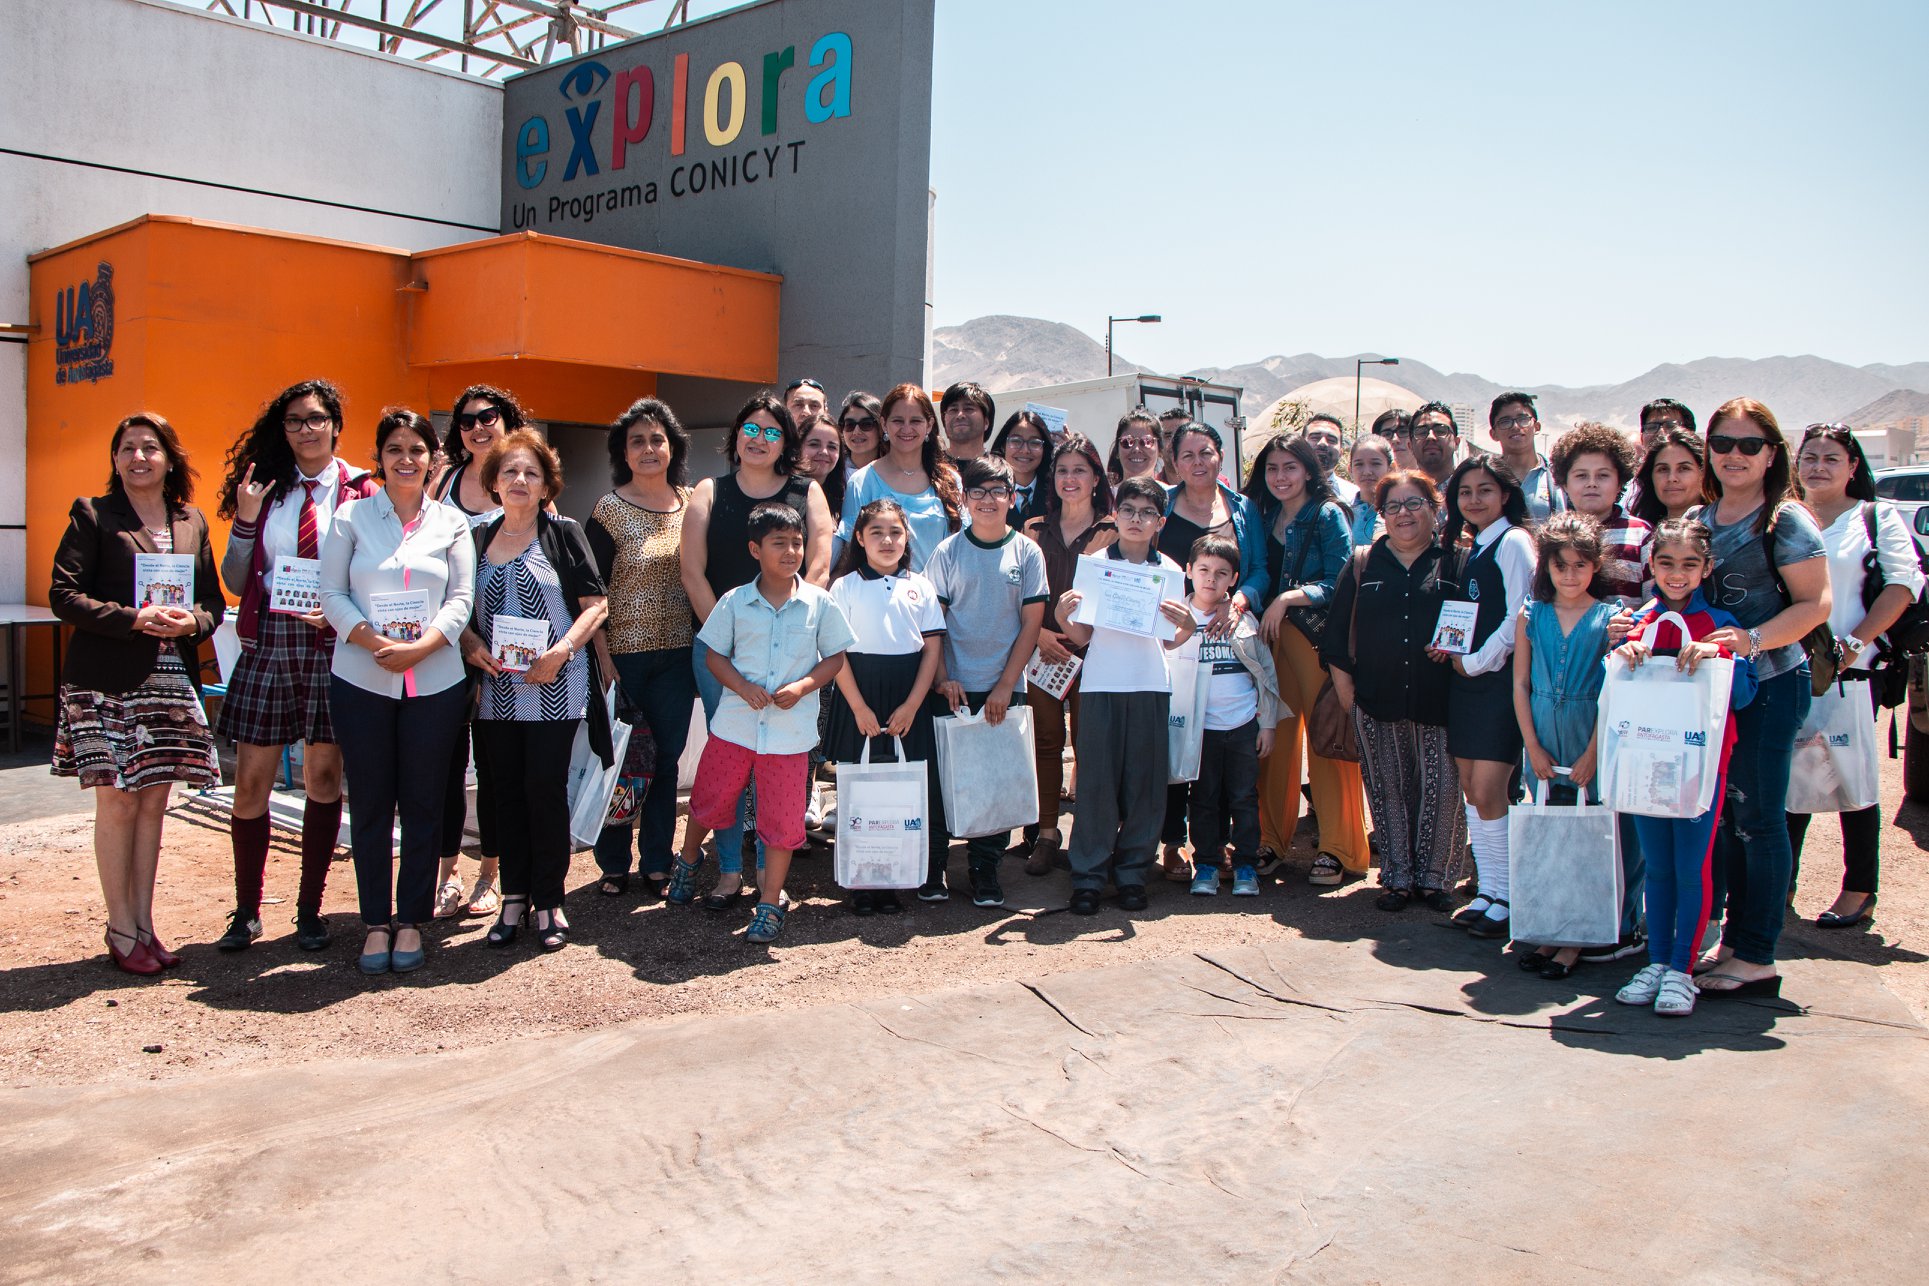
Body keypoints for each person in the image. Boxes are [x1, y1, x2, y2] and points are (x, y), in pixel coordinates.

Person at [51, 413, 224, 975]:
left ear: (170, 458)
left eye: (150, 447)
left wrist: (187, 624)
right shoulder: (94, 515)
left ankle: (145, 924)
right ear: (116, 458)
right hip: (104, 679)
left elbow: (212, 605)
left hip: (170, 679)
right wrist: (133, 618)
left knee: (153, 799)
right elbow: (63, 594)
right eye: (127, 448)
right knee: (118, 799)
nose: (139, 457)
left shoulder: (191, 520)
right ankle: (119, 927)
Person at [211, 379, 378, 954]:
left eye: (315, 418)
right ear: (282, 431)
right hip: (271, 641)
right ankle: (247, 910)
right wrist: (246, 518)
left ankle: (310, 908)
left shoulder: (363, 490)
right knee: (251, 779)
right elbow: (234, 581)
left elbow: (377, 573)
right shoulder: (265, 487)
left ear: (335, 424)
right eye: (293, 421)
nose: (305, 430)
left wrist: (339, 611)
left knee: (323, 779)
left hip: (334, 642)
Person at [320, 408, 476, 976]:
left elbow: (462, 597)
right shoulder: (351, 517)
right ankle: (374, 923)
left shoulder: (451, 523)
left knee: (423, 803)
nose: (406, 460)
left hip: (434, 681)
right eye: (394, 450)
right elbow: (332, 593)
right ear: (379, 459)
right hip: (362, 678)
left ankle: (410, 918)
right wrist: (371, 639)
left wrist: (425, 646)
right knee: (370, 804)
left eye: (417, 450)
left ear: (434, 459)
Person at [1684, 398, 1830, 997]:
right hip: (1712, 693)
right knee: (1727, 819)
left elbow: (1815, 604)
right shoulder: (1700, 516)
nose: (1734, 456)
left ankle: (1758, 954)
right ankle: (1736, 942)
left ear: (1772, 454)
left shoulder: (1786, 520)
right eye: (1723, 444)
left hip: (1771, 687)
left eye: (1749, 445)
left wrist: (1751, 641)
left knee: (1760, 820)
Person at [671, 503, 856, 944]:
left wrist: (805, 686)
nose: (791, 551)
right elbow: (714, 654)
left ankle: (770, 903)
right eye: (779, 543)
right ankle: (689, 857)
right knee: (711, 800)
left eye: (797, 542)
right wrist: (739, 686)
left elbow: (835, 657)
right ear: (755, 549)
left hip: (789, 740)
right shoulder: (735, 602)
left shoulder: (819, 604)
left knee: (782, 820)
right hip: (735, 727)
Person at [683, 392, 836, 905]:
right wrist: (729, 637)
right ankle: (729, 871)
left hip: (791, 651)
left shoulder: (806, 490)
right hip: (722, 652)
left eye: (773, 431)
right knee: (728, 764)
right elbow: (692, 570)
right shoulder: (709, 490)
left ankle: (769, 880)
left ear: (786, 442)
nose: (760, 439)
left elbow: (818, 564)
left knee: (776, 768)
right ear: (736, 435)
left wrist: (795, 633)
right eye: (751, 428)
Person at [459, 431, 609, 952]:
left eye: (531, 473)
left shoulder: (563, 532)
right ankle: (513, 898)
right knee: (505, 797)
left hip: (554, 688)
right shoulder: (476, 538)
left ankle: (549, 900)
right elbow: (456, 611)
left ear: (547, 484)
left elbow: (596, 605)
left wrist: (560, 652)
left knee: (544, 794)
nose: (520, 481)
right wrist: (470, 641)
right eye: (509, 473)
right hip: (496, 692)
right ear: (493, 482)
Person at [1611, 519, 1758, 1017]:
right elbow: (1610, 693)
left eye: (1689, 564)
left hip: (1701, 766)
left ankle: (1681, 967)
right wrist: (1622, 653)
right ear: (1651, 566)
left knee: (1691, 867)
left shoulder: (1721, 623)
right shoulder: (1635, 623)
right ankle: (1656, 961)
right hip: (1643, 765)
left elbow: (1743, 695)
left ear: (1707, 568)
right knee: (1657, 865)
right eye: (1666, 563)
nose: (1677, 574)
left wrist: (1721, 655)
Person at [1787, 424, 1923, 928]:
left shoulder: (1874, 517)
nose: (1818, 466)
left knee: (1852, 782)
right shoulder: (1785, 518)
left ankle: (1859, 888)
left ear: (1852, 467)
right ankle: (1782, 884)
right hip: (1787, 670)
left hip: (1850, 673)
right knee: (1788, 780)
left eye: (1831, 457)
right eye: (1810, 457)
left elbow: (1904, 585)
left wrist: (1855, 645)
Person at [1054, 476, 1197, 914]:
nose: (1137, 520)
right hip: (1100, 684)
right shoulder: (1095, 563)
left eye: (1147, 513)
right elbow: (1081, 634)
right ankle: (1089, 877)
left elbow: (1169, 640)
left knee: (1145, 785)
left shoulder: (1171, 571)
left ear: (1161, 521)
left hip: (1151, 684)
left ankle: (1134, 872)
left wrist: (1188, 628)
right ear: (1114, 514)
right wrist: (1062, 615)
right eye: (1129, 510)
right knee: (1096, 784)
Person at [1324, 472, 1465, 912]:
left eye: (1414, 503)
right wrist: (1349, 697)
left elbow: (1470, 624)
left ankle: (1437, 879)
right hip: (1375, 698)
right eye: (1393, 507)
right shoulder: (1365, 562)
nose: (1403, 514)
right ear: (1380, 514)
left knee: (1441, 788)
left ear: (1434, 507)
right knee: (1387, 787)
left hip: (1440, 697)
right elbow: (1335, 639)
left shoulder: (1455, 563)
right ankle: (1398, 877)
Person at [926, 455, 1050, 907]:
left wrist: (1005, 686)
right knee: (945, 779)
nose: (988, 500)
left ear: (1012, 498)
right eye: (977, 492)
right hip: (953, 687)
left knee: (996, 780)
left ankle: (985, 870)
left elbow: (1031, 625)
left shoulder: (1027, 553)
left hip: (1005, 687)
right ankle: (934, 867)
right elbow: (933, 625)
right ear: (964, 499)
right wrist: (942, 679)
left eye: (998, 491)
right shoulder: (947, 552)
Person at [586, 398, 698, 899]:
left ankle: (657, 859)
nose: (649, 449)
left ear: (672, 446)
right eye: (638, 441)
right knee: (623, 762)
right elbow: (589, 591)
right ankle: (613, 862)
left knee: (668, 760)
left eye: (657, 439)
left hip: (678, 655)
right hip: (622, 659)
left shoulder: (693, 502)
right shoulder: (608, 510)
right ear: (623, 452)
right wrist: (603, 656)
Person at [1245, 432, 1368, 886]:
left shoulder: (1328, 513)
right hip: (1271, 643)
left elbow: (1342, 580)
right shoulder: (1264, 514)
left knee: (1326, 742)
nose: (1281, 477)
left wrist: (1289, 598)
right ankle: (1272, 840)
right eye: (1272, 468)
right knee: (1273, 741)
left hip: (1315, 645)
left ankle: (1340, 849)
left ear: (1308, 471)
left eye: (1290, 467)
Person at [427, 384, 529, 920]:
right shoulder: (441, 482)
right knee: (446, 766)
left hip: (506, 654)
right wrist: (460, 636)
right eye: (467, 420)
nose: (478, 426)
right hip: (444, 646)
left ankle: (491, 872)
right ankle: (447, 873)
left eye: (489, 417)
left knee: (494, 769)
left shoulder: (524, 480)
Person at [1509, 512, 1618, 979]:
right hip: (1543, 736)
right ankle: (1550, 928)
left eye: (1580, 565)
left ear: (1595, 566)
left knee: (1587, 835)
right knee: (1550, 833)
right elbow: (1519, 685)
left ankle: (1576, 939)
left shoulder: (1611, 618)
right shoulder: (1531, 615)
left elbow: (1614, 690)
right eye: (1560, 565)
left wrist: (1594, 751)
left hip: (1588, 730)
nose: (1570, 575)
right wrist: (1530, 746)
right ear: (1546, 567)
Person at [825, 499, 946, 916]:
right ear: (859, 538)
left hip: (908, 696)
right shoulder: (844, 587)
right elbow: (836, 652)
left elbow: (931, 651)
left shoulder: (922, 586)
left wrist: (913, 704)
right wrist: (857, 707)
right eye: (876, 532)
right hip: (859, 694)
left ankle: (898, 877)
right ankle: (863, 880)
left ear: (906, 536)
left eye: (895, 531)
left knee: (905, 793)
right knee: (861, 792)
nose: (887, 540)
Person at [1434, 455, 1537, 940]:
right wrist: (1451, 648)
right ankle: (1491, 889)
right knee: (1474, 790)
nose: (1474, 499)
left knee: (1493, 790)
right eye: (1465, 492)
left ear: (1506, 495)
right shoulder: (1475, 546)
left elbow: (1522, 614)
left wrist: (1475, 661)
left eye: (1485, 490)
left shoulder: (1515, 541)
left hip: (1496, 684)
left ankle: (1510, 895)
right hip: (1466, 681)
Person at [1160, 422, 1268, 880]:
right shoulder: (1162, 505)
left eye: (1205, 452)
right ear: (1174, 462)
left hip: (1230, 628)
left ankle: (1226, 853)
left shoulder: (1242, 508)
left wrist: (1239, 601)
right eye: (1186, 455)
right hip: (1175, 632)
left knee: (1230, 776)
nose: (1197, 462)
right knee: (1180, 756)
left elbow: (1259, 568)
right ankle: (1174, 845)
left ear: (1221, 455)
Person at [1020, 432, 1117, 875]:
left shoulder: (1114, 530)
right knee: (1044, 743)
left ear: (1096, 476)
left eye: (1080, 469)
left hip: (1096, 654)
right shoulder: (1034, 528)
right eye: (1062, 470)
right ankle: (1045, 833)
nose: (1070, 478)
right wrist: (1038, 633)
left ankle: (1090, 839)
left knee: (1090, 745)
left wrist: (1086, 637)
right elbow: (1017, 592)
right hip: (1043, 653)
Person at [1182, 536, 1281, 898]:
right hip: (1199, 728)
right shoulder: (1178, 614)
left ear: (1234, 579)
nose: (1211, 579)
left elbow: (1265, 675)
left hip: (1242, 725)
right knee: (1203, 797)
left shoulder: (1244, 620)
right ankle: (1206, 863)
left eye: (1221, 573)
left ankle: (1245, 866)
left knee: (1243, 798)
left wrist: (1267, 724)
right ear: (1189, 571)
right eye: (1204, 570)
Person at [838, 382, 963, 572]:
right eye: (898, 420)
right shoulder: (862, 482)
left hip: (940, 598)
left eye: (915, 421)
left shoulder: (950, 480)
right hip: (879, 596)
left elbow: (962, 547)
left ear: (929, 425)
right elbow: (850, 549)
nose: (906, 429)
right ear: (884, 424)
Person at [1550, 422, 1651, 606]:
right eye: (1581, 476)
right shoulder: (1553, 535)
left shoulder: (1641, 534)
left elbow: (1655, 601)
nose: (1592, 483)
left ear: (1620, 482)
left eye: (1603, 475)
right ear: (1564, 483)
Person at [1489, 392, 1565, 522]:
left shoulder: (1558, 477)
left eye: (1523, 419)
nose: (1515, 426)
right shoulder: (1487, 478)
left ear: (1536, 426)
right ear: (1493, 434)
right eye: (1505, 422)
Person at [988, 410, 1054, 527]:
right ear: (1003, 445)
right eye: (1016, 441)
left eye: (1034, 443)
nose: (1025, 450)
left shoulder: (1055, 492)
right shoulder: (987, 491)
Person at [1631, 426, 1708, 527]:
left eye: (1684, 468)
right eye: (1663, 469)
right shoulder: (1640, 536)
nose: (1672, 478)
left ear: (1703, 473)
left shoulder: (1726, 534)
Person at [796, 411, 847, 523]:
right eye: (814, 444)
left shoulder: (844, 499)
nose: (824, 452)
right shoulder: (786, 493)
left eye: (832, 447)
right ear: (798, 448)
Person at [1346, 434, 1394, 546]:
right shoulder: (1344, 512)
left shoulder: (1398, 510)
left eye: (1375, 464)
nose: (1367, 472)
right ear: (1350, 470)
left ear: (1390, 469)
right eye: (1359, 464)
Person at [1303, 414, 1359, 505]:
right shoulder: (1283, 489)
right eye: (1315, 437)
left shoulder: (1354, 497)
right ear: (1300, 445)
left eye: (1331, 440)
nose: (1322, 443)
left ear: (1341, 452)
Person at [1408, 401, 1461, 493]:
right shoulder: (1400, 491)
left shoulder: (1470, 488)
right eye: (1421, 432)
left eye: (1440, 430)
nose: (1430, 437)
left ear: (1456, 443)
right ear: (1410, 446)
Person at [940, 381, 995, 464]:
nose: (960, 415)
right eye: (953, 410)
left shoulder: (999, 470)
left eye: (968, 409)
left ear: (986, 422)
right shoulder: (930, 468)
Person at [1106, 407, 1165, 485]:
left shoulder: (1172, 495)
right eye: (1127, 441)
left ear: (1160, 450)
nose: (1136, 449)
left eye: (1146, 441)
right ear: (1117, 450)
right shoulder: (1106, 496)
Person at [837, 391, 885, 473]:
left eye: (866, 424)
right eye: (850, 425)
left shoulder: (895, 471)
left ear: (881, 427)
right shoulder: (831, 471)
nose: (856, 432)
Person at [1373, 408, 1416, 472]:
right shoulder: (1370, 480)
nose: (1395, 440)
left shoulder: (1433, 478)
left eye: (1403, 432)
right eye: (1387, 434)